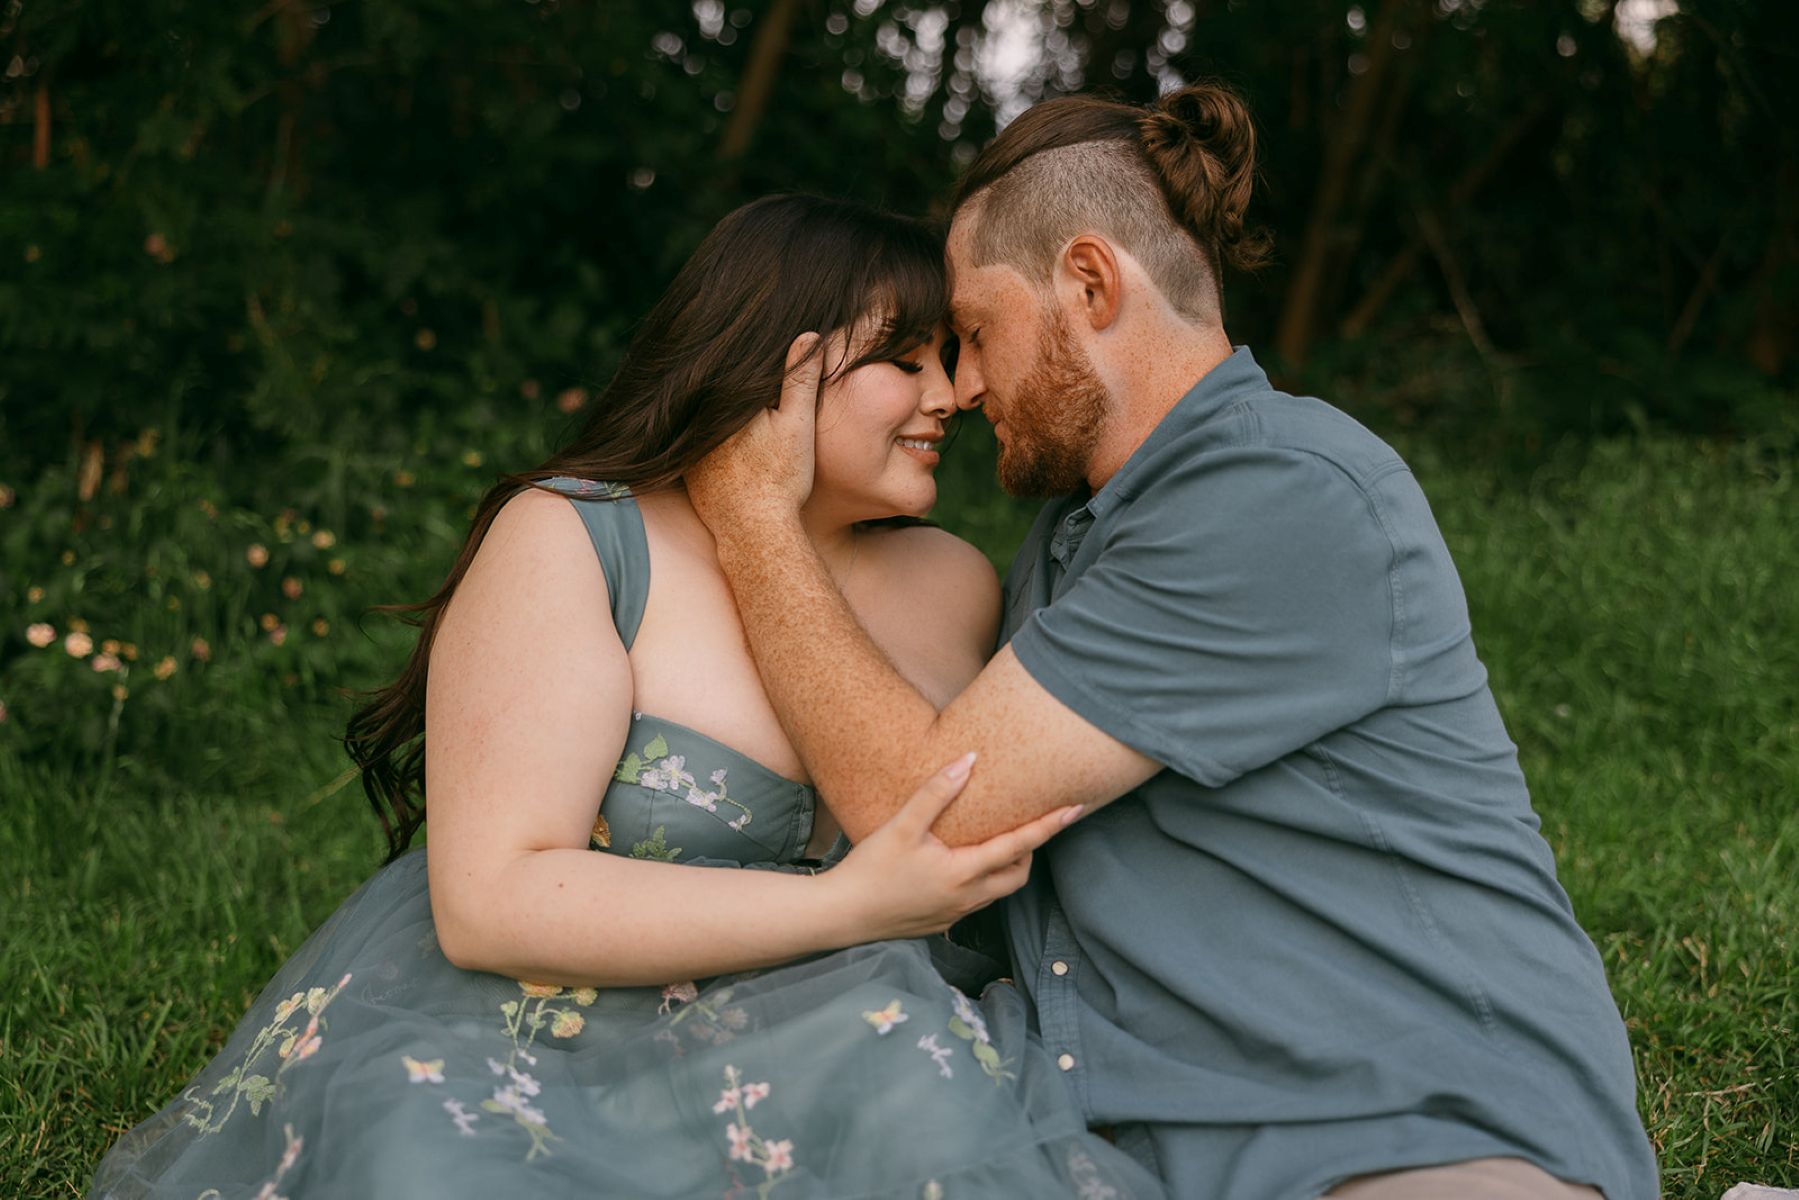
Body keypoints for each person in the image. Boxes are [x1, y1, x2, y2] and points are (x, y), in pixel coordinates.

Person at [683, 86, 1663, 1199]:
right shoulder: (1079, 533)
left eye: (974, 331)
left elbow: (927, 812)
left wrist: (755, 517)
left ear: (1090, 284)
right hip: (1132, 1141)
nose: (958, 384)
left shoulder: (1280, 491)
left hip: (1402, 1128)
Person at [89, 195, 1163, 1199]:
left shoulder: (952, 580)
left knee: (936, 1127)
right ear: (777, 368)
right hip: (545, 1019)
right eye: (900, 357)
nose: (948, 395)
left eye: (948, 356)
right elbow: (490, 901)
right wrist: (847, 907)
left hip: (845, 1038)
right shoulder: (575, 536)